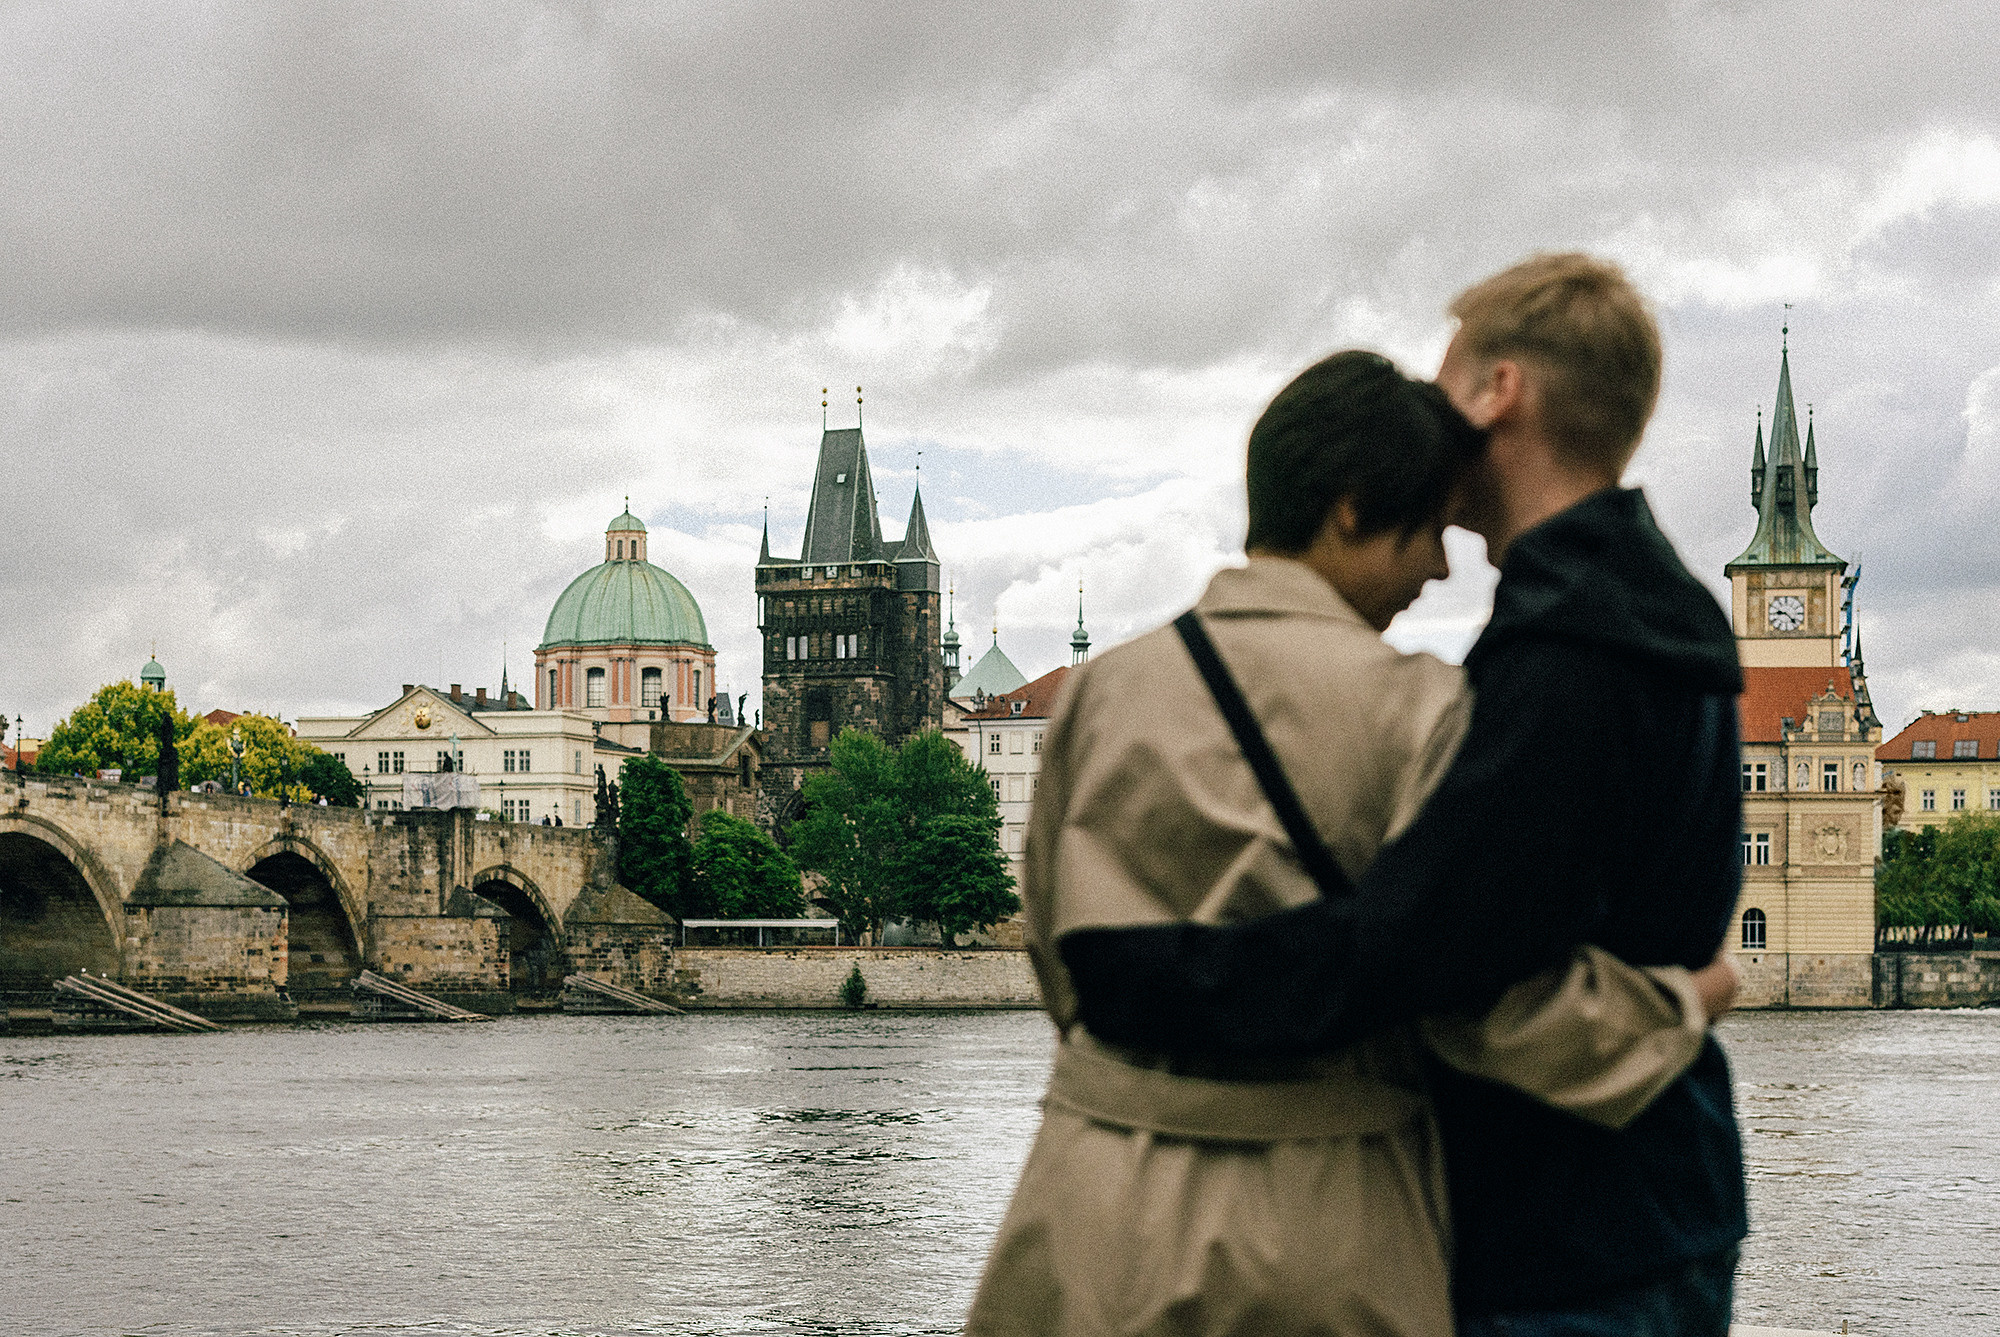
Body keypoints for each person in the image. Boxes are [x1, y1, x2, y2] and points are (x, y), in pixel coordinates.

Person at [965, 348, 1737, 1337]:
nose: (1438, 565)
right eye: (1426, 527)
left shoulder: (1103, 689)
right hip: (1320, 1214)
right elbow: (1471, 998)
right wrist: (1678, 1000)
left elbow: (1054, 946)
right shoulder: (1422, 710)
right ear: (1348, 508)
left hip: (1087, 1194)